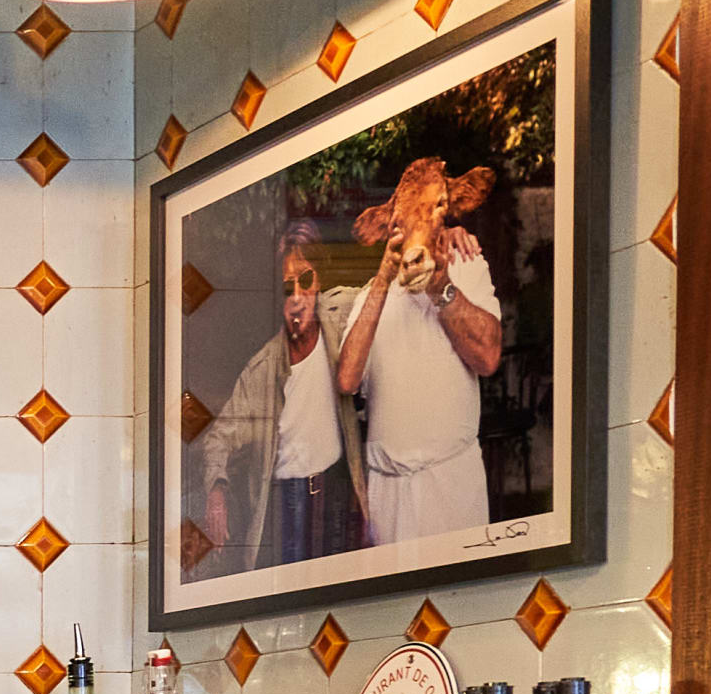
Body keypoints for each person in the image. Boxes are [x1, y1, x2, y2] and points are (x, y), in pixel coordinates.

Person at [334, 168, 505, 551]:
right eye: (403, 218)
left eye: (434, 209)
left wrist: (439, 284)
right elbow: (346, 380)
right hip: (386, 492)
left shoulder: (466, 265)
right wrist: (383, 276)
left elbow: (489, 356)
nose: (418, 224)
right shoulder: (369, 297)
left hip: (450, 482)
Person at [182, 225, 360, 579]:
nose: (297, 295)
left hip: (340, 491)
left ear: (318, 280)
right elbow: (219, 439)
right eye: (285, 287)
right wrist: (216, 494)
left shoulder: (342, 313)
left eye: (305, 279)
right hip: (287, 504)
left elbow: (392, 290)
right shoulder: (261, 369)